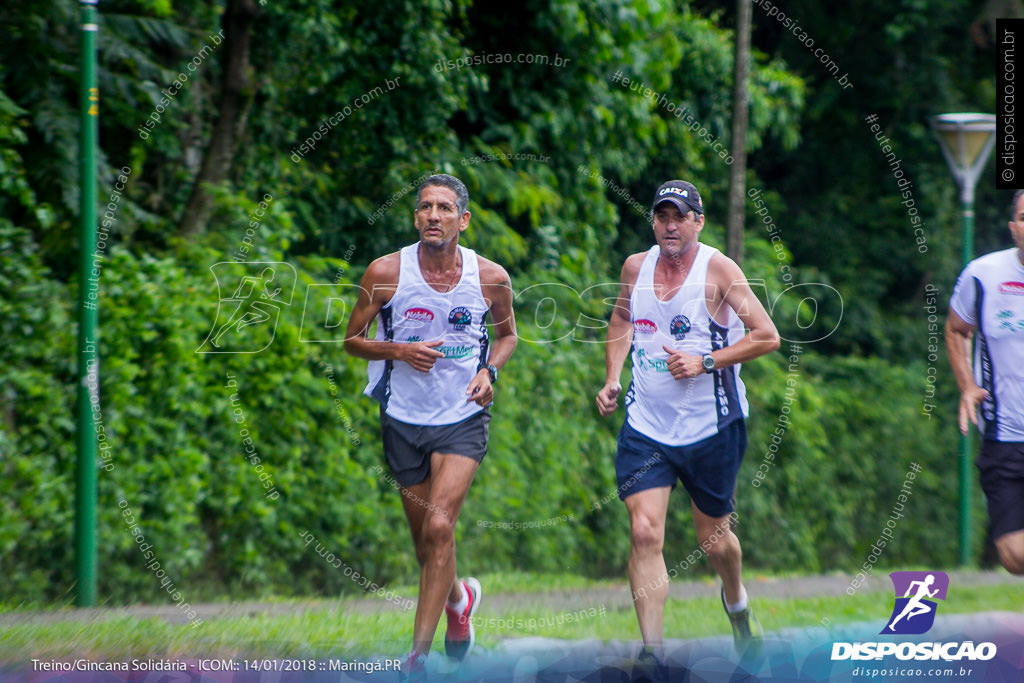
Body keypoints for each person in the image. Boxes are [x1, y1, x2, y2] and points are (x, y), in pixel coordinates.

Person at [595, 180, 780, 663]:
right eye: (661, 216)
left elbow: (767, 336)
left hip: (712, 427)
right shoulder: (636, 267)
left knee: (714, 539)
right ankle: (652, 653)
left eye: (679, 217)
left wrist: (707, 361)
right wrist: (613, 376)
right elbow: (620, 320)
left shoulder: (718, 270)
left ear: (699, 221)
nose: (669, 226)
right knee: (643, 532)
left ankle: (736, 603)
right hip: (647, 425)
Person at [344, 174, 517, 677]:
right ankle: (459, 600)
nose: (433, 216)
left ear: (463, 220)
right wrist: (397, 349)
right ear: (415, 217)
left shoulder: (490, 277)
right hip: (402, 416)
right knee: (427, 543)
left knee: (442, 526)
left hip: (463, 415)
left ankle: (416, 657)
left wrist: (491, 370)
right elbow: (352, 340)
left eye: (444, 208)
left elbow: (507, 337)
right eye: (425, 208)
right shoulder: (385, 272)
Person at [946, 189, 1024, 576]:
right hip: (1004, 433)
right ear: (1013, 228)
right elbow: (957, 330)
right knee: (1012, 555)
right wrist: (967, 385)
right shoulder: (983, 275)